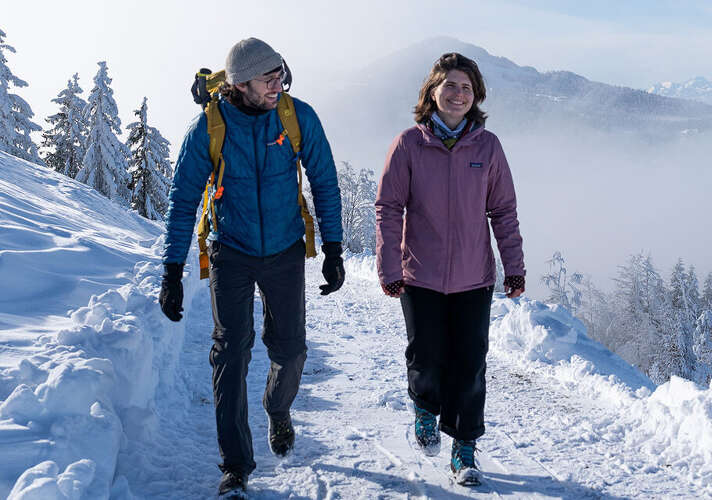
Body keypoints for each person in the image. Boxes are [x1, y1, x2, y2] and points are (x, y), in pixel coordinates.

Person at [159, 37, 344, 498]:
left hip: (283, 248)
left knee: (291, 350)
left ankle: (277, 408)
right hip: (231, 250)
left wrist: (335, 246)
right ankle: (236, 467)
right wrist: (171, 270)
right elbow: (182, 200)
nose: (278, 83)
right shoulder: (209, 128)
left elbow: (324, 177)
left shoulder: (297, 117)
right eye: (268, 78)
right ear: (240, 84)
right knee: (231, 353)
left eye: (280, 73)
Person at [375, 52, 525, 486]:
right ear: (432, 92)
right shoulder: (409, 144)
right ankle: (424, 406)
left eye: (466, 87)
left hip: (473, 278)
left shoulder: (488, 146)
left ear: (476, 95)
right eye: (450, 85)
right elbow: (388, 208)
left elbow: (504, 210)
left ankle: (464, 448)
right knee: (426, 358)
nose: (458, 94)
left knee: (469, 365)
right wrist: (389, 267)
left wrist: (513, 267)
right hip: (419, 275)